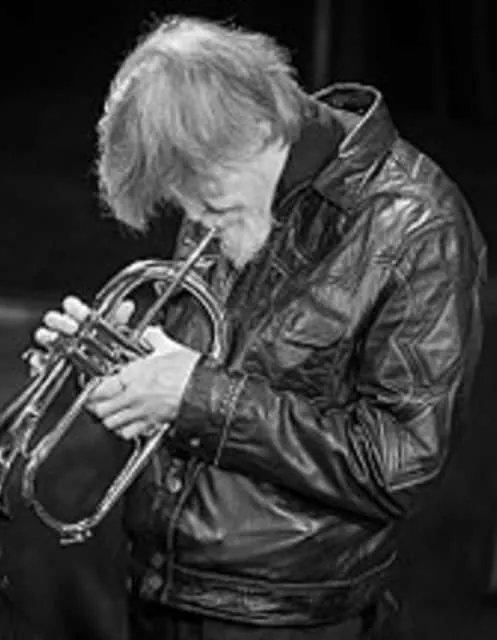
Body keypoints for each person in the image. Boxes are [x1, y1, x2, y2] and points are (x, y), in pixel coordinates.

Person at [34, 15, 486, 639]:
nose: (196, 218)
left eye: (206, 201)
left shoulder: (418, 226)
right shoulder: (231, 180)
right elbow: (213, 374)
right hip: (161, 588)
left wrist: (197, 397)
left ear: (260, 130)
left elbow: (399, 466)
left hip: (284, 619)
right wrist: (123, 372)